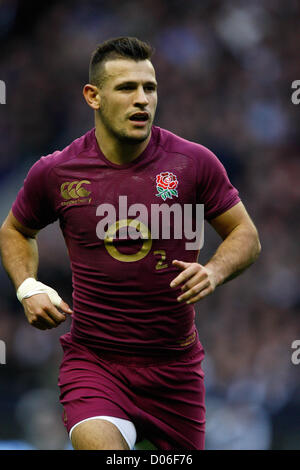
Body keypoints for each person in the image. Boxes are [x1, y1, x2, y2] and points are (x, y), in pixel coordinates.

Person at [0, 36, 261, 450]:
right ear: (94, 96)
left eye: (149, 88)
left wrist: (214, 270)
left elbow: (246, 235)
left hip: (175, 370)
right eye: (126, 88)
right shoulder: (57, 172)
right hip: (95, 363)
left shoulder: (193, 163)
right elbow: (15, 229)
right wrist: (27, 286)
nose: (142, 100)